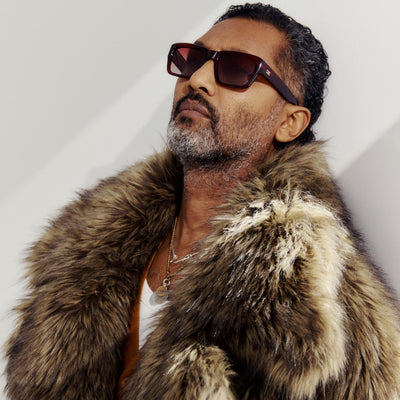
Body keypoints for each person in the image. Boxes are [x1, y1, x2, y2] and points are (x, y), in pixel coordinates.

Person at [5, 3, 400, 399]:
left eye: (238, 69)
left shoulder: (320, 308)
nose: (197, 79)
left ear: (289, 122)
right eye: (193, 59)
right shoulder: (84, 248)